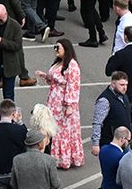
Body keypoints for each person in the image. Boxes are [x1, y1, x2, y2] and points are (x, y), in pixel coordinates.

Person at [36, 38, 83, 168]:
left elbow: (73, 86)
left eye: (58, 48)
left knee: (62, 130)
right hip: (53, 101)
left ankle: (64, 159)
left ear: (66, 49)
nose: (56, 50)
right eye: (55, 47)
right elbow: (54, 79)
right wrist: (45, 76)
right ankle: (55, 157)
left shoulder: (72, 65)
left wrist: (69, 105)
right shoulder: (59, 62)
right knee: (53, 128)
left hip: (63, 104)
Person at [0, 5, 28, 117]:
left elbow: (17, 45)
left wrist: (2, 42)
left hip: (9, 66)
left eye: (0, 19)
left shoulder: (15, 26)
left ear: (6, 14)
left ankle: (8, 119)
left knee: (8, 97)